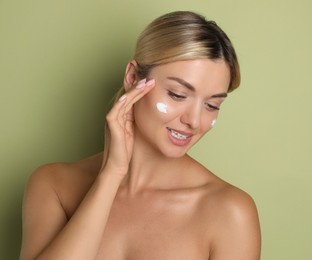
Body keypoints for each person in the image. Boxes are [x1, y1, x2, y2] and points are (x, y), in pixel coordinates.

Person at [20, 11, 261, 260]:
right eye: (178, 94)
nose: (194, 121)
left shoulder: (230, 213)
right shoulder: (54, 186)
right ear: (133, 77)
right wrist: (111, 175)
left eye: (212, 105)